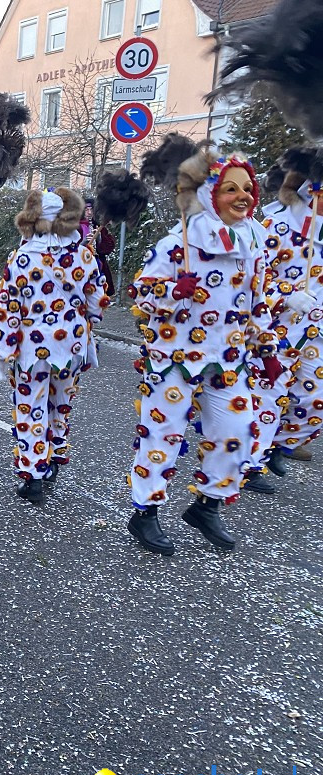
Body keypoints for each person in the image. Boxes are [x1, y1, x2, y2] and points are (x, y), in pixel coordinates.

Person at [126, 149, 279, 555]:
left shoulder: (252, 243)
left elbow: (257, 302)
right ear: (211, 194)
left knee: (238, 431)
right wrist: (173, 293)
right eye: (231, 189)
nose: (243, 197)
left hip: (227, 360)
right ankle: (145, 513)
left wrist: (266, 350)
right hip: (173, 359)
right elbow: (140, 298)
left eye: (248, 188)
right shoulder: (178, 244)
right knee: (162, 433)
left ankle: (207, 504)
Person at [0, 189, 110, 504]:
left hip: (32, 349)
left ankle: (33, 477)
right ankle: (55, 458)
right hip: (71, 345)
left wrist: (2, 350)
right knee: (61, 404)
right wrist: (80, 321)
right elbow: (98, 303)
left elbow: (8, 308)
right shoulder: (84, 255)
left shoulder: (22, 258)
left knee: (32, 408)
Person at [247, 152, 323, 491]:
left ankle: (280, 444)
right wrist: (286, 294)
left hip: (315, 334)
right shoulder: (276, 228)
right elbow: (251, 276)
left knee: (314, 400)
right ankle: (249, 465)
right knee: (268, 397)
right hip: (276, 330)